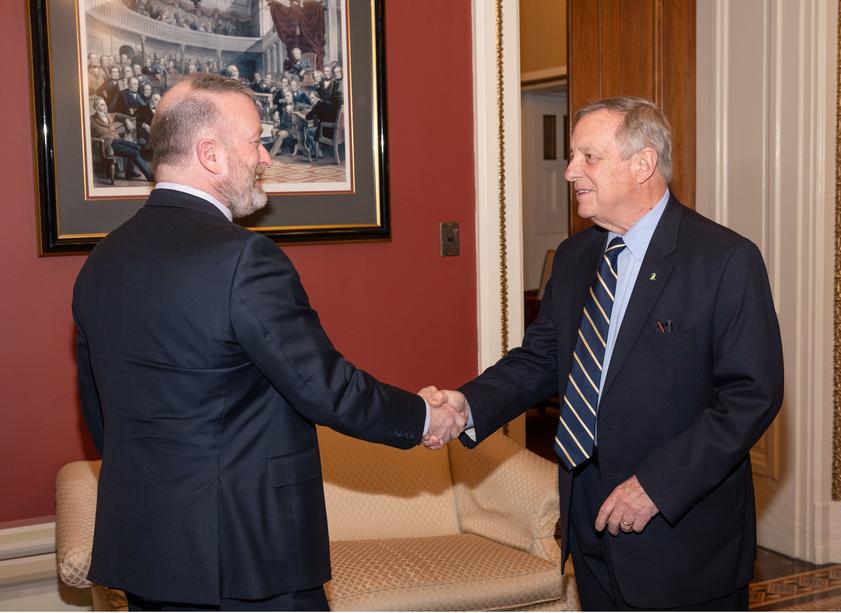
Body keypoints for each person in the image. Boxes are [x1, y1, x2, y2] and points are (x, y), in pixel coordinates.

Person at [73, 73, 467, 611]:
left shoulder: (101, 262)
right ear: (210, 154)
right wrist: (426, 416)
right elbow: (326, 388)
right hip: (248, 559)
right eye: (256, 140)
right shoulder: (243, 260)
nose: (265, 156)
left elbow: (101, 417)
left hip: (148, 554)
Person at [425, 96, 784, 611]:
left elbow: (751, 396)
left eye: (588, 157)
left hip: (678, 528)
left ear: (643, 164)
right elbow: (540, 360)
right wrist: (466, 405)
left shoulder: (724, 260)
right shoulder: (575, 258)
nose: (570, 171)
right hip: (588, 516)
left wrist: (657, 486)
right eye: (574, 157)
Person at [89, 97, 153, 181]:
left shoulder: (110, 115)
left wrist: (127, 120)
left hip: (117, 140)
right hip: (107, 144)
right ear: (96, 107)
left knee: (137, 147)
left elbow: (122, 116)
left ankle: (130, 173)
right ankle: (149, 176)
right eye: (102, 105)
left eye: (105, 104)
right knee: (134, 152)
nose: (105, 106)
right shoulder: (91, 120)